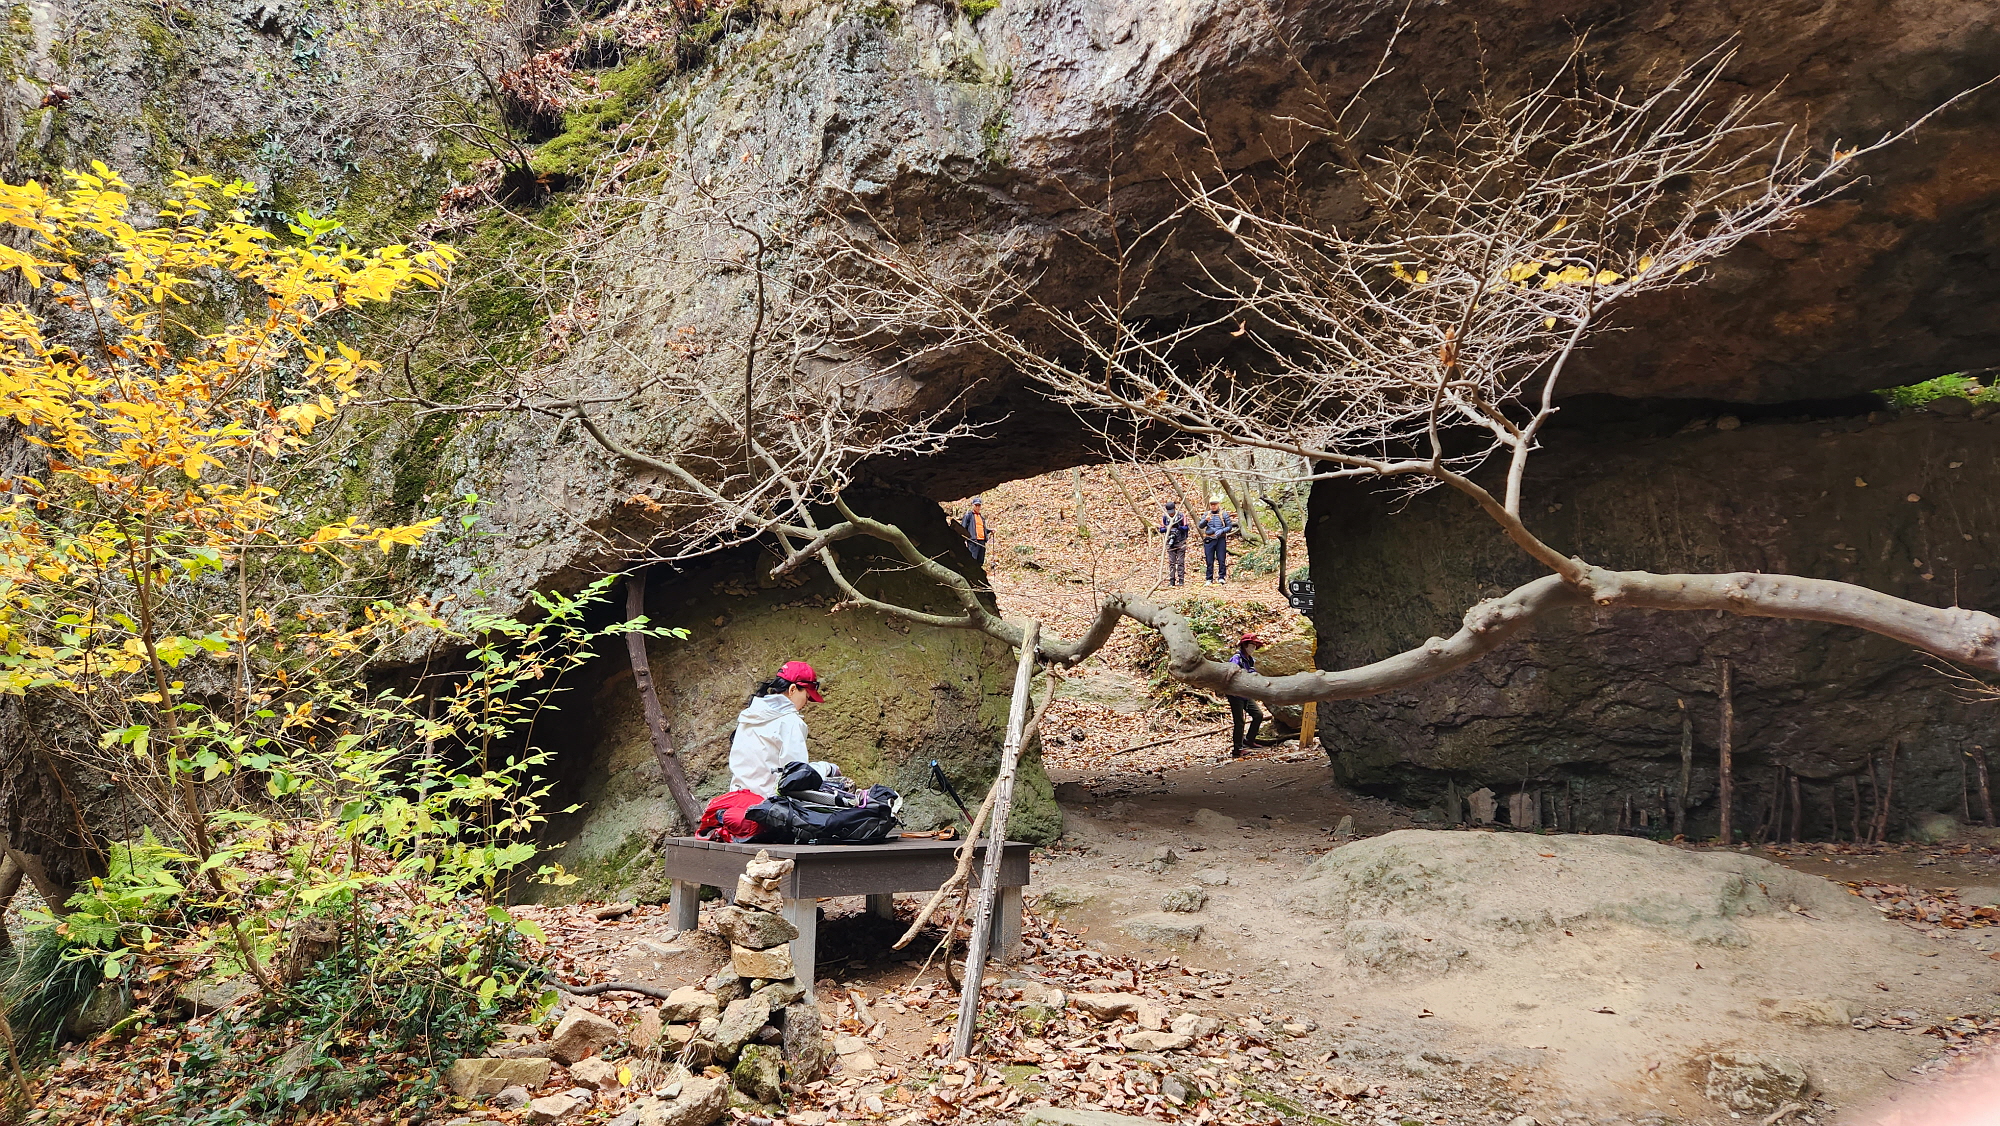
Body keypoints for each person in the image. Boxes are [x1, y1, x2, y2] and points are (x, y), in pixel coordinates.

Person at [728, 661, 836, 797]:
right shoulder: (791, 722)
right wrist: (827, 768)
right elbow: (796, 777)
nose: (806, 703)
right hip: (767, 804)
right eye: (807, 696)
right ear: (792, 689)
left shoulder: (747, 716)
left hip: (737, 798)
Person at [1226, 633, 1272, 756]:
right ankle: (1237, 749)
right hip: (1235, 694)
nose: (1253, 648)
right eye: (1252, 645)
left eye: (1255, 646)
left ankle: (1249, 740)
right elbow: (1231, 671)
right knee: (1239, 721)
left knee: (1258, 715)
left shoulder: (1250, 660)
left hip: (1246, 693)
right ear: (1245, 645)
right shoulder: (1237, 658)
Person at [1197, 499, 1237, 584]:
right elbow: (1200, 526)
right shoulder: (1206, 514)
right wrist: (1206, 520)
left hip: (1220, 539)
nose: (1213, 506)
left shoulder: (1224, 514)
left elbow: (1229, 527)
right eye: (1212, 504)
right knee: (1209, 560)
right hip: (1209, 539)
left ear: (1218, 504)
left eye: (1215, 504)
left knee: (1221, 559)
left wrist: (1222, 531)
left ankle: (1221, 577)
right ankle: (1209, 578)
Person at [1155, 500, 1192, 586]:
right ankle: (1172, 580)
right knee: (1172, 562)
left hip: (1180, 542)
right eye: (1169, 512)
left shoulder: (1181, 516)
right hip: (1170, 542)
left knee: (1180, 562)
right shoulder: (1165, 517)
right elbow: (1161, 529)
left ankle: (1181, 580)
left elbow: (1186, 528)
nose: (1171, 514)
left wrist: (1178, 527)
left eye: (1172, 512)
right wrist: (1168, 527)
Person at [960, 497, 990, 564]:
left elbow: (982, 529)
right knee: (973, 560)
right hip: (973, 542)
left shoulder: (981, 517)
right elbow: (963, 528)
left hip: (982, 541)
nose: (977, 507)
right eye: (976, 505)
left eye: (979, 505)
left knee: (980, 560)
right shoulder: (968, 516)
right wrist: (964, 540)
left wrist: (990, 531)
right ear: (973, 505)